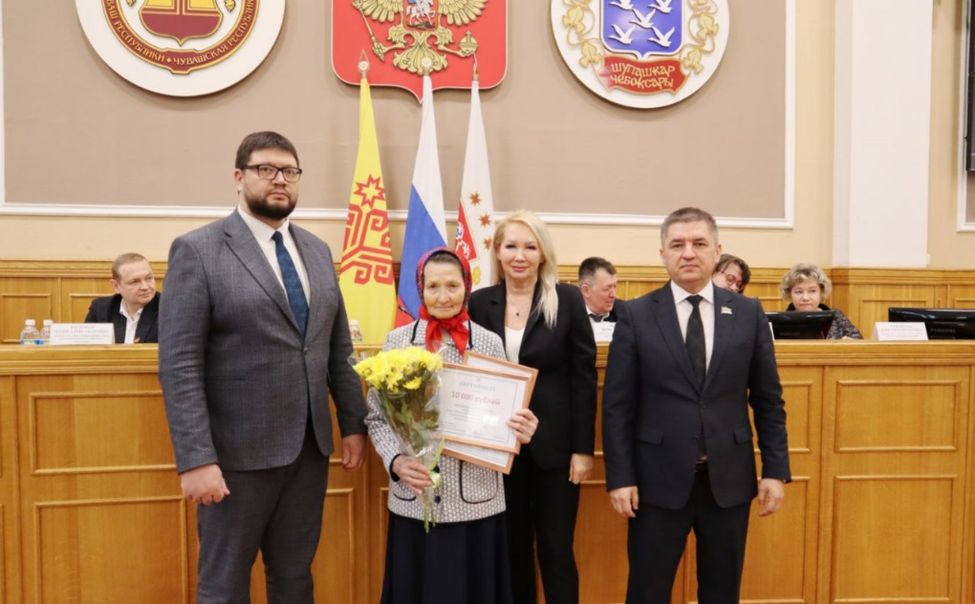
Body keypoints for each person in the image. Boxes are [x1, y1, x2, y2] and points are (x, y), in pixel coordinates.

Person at [158, 131, 367, 604]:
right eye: (266, 169)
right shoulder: (199, 250)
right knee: (224, 586)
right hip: (234, 458)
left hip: (308, 451)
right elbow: (179, 364)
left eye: (289, 171)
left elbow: (337, 349)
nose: (280, 180)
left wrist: (353, 424)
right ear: (239, 177)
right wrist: (196, 459)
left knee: (294, 578)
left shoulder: (317, 250)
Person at [602, 207, 790, 603]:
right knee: (647, 592)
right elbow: (618, 405)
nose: (688, 253)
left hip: (728, 482)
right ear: (663, 254)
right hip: (655, 483)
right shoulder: (636, 315)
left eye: (699, 243)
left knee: (722, 593)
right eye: (677, 245)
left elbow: (768, 399)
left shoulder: (748, 313)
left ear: (717, 251)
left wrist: (775, 470)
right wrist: (620, 477)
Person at [366, 247, 539, 604]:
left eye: (452, 286)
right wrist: (396, 462)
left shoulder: (489, 342)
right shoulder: (397, 342)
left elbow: (506, 410)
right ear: (420, 289)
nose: (443, 297)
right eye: (433, 287)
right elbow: (376, 417)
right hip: (416, 499)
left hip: (477, 501)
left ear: (467, 287)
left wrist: (521, 426)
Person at [468, 210, 597, 604]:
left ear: (543, 254)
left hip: (554, 450)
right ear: (497, 252)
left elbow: (583, 379)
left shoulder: (567, 299)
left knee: (556, 551)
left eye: (530, 246)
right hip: (497, 449)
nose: (519, 255)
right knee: (512, 550)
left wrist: (582, 450)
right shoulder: (478, 302)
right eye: (511, 246)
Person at [84, 252, 160, 343]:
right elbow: (87, 347)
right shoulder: (101, 309)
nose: (145, 287)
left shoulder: (168, 308)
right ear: (116, 286)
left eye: (149, 278)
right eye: (135, 282)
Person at [780, 263, 862, 339]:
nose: (805, 298)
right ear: (789, 294)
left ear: (821, 292)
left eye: (812, 291)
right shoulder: (782, 320)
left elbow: (858, 341)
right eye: (799, 292)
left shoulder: (836, 316)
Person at [578, 256, 619, 324]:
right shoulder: (568, 315)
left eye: (614, 287)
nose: (613, 295)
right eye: (606, 289)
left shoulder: (624, 313)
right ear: (586, 290)